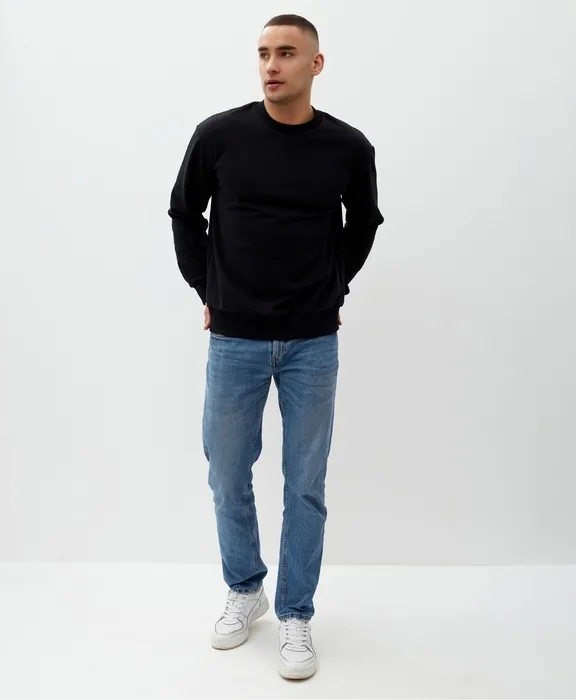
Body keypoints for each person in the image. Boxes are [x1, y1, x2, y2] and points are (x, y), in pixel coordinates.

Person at [168, 13, 384, 680]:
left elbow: (364, 222)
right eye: (264, 53)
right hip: (234, 336)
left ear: (315, 64)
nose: (272, 65)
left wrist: (334, 286)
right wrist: (208, 288)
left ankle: (295, 612)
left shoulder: (347, 147)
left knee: (305, 484)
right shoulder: (219, 136)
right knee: (227, 473)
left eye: (287, 53)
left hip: (312, 340)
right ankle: (245, 588)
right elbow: (184, 212)